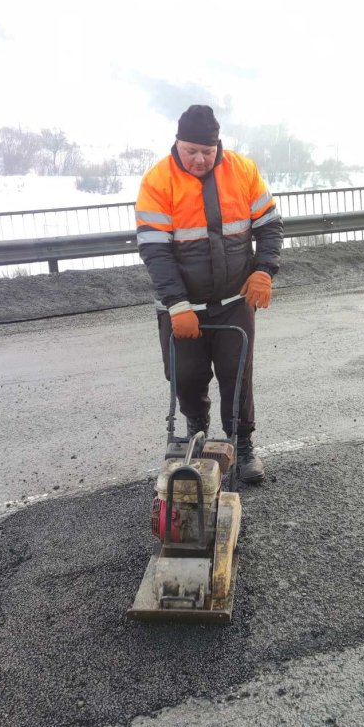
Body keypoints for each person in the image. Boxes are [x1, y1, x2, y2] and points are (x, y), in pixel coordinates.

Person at [135, 105, 283, 483]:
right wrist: (177, 305)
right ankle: (195, 433)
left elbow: (269, 227)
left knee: (237, 376)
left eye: (207, 151)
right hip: (184, 306)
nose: (200, 159)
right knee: (186, 375)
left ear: (218, 145)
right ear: (177, 144)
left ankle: (242, 444)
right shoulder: (157, 181)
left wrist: (263, 270)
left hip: (234, 302)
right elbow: (156, 251)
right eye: (191, 152)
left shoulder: (243, 171)